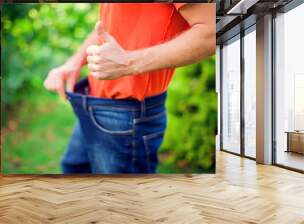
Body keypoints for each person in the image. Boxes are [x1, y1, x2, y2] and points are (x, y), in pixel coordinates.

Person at [44, 3, 215, 174]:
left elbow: (212, 33)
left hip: (127, 115)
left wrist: (129, 62)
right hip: (94, 99)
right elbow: (109, 23)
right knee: (74, 170)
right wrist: (74, 62)